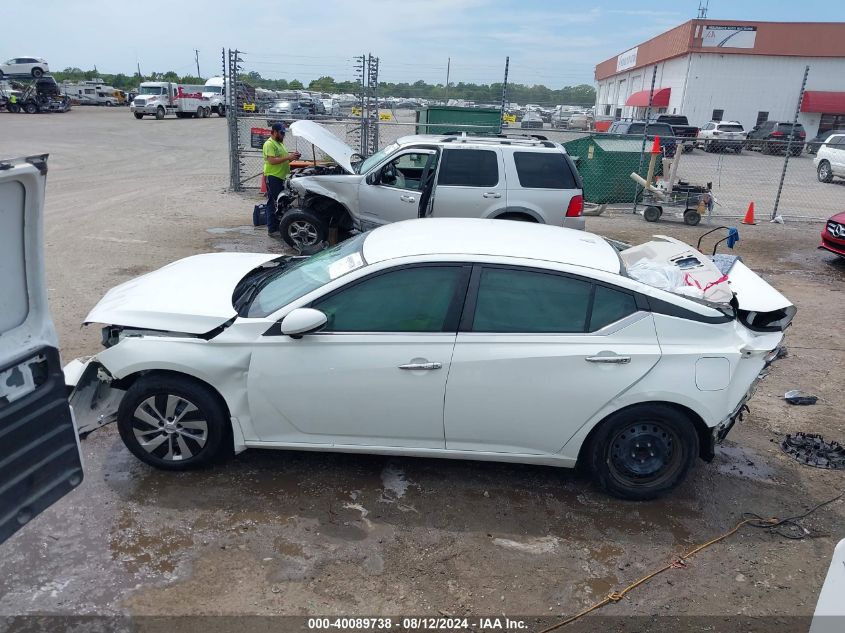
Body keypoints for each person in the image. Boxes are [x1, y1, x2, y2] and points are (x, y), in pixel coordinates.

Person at [262, 123, 300, 236]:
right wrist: (288, 157)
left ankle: (278, 226)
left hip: (281, 177)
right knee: (274, 202)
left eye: (284, 133)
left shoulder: (280, 144)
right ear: (274, 132)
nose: (283, 135)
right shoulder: (269, 144)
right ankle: (272, 229)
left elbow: (282, 160)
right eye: (281, 133)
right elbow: (272, 161)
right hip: (273, 176)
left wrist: (292, 157)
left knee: (281, 202)